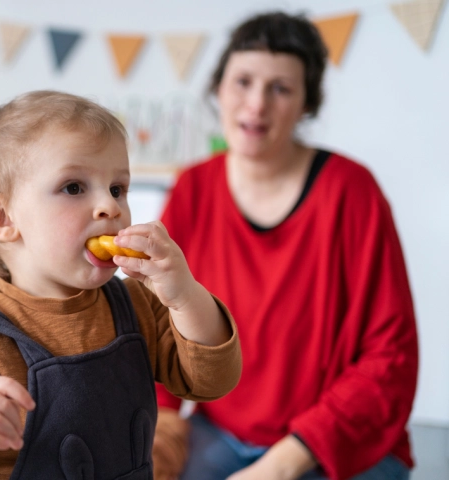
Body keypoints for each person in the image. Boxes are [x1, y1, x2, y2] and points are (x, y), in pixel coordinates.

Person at [0, 90, 243, 479]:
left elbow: (212, 380)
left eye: (118, 188)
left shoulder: (135, 306)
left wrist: (186, 296)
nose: (111, 206)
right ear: (3, 217)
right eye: (74, 187)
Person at [152, 11, 419, 480]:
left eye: (280, 88)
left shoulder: (353, 193)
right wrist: (160, 426)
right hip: (221, 431)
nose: (256, 105)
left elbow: (390, 358)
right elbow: (158, 322)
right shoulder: (193, 188)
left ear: (306, 105)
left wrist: (282, 464)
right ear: (218, 89)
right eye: (243, 82)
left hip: (335, 441)